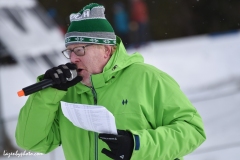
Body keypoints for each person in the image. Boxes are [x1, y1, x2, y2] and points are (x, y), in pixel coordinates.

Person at [15, 3, 206, 160]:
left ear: (106, 50)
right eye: (70, 51)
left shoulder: (148, 78)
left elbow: (193, 130)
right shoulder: (66, 93)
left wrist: (136, 145)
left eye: (80, 50)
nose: (73, 59)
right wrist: (48, 93)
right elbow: (31, 142)